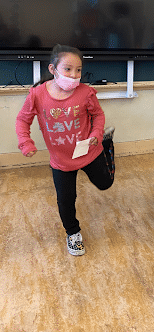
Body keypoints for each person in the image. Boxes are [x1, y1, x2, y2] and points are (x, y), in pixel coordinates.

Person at [16, 44, 115, 256]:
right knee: (66, 199)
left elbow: (98, 115)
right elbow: (22, 120)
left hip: (89, 152)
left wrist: (97, 134)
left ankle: (107, 143)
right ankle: (73, 233)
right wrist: (26, 142)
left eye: (78, 70)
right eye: (68, 69)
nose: (74, 75)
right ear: (53, 69)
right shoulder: (37, 94)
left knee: (105, 184)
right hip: (61, 161)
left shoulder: (86, 92)